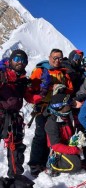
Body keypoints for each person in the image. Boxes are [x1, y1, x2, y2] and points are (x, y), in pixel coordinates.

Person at [28, 48, 74, 177]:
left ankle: (49, 162)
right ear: (49, 58)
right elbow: (31, 87)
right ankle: (35, 164)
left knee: (54, 137)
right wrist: (46, 87)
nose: (57, 60)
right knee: (41, 135)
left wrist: (63, 90)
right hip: (42, 108)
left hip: (58, 109)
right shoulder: (40, 70)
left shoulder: (64, 74)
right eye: (55, 58)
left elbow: (70, 89)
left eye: (60, 58)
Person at [0, 50, 43, 178]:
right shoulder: (2, 74)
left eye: (23, 60)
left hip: (14, 119)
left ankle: (15, 178)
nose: (20, 62)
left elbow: (30, 98)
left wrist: (42, 92)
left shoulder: (23, 80)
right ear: (11, 60)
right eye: (17, 59)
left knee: (16, 150)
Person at [44, 90, 84, 176]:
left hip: (70, 142)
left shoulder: (66, 115)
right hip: (58, 150)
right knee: (76, 164)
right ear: (60, 108)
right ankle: (53, 166)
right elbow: (56, 146)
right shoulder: (52, 123)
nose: (70, 106)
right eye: (67, 105)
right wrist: (75, 150)